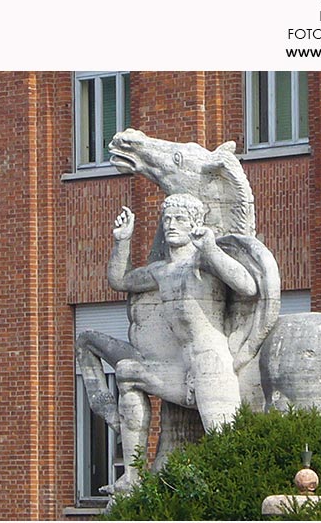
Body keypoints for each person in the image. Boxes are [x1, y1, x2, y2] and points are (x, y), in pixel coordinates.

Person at [104, 193, 257, 491]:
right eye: (167, 219)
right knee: (126, 372)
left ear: (195, 223)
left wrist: (211, 250)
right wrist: (122, 241)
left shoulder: (204, 262)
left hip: (210, 364)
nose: (171, 225)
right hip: (179, 366)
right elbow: (120, 281)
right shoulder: (161, 271)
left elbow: (247, 285)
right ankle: (132, 476)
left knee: (224, 445)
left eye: (180, 219)